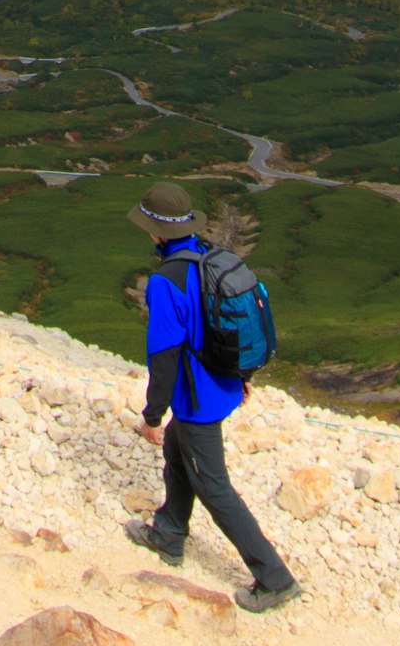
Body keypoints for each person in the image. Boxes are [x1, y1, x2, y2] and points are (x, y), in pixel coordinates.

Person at [119, 181, 301, 614]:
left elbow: (163, 354)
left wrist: (151, 415)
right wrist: (241, 376)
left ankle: (275, 578)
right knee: (178, 457)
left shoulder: (166, 281)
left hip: (197, 399)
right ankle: (168, 532)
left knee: (214, 487)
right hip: (222, 385)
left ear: (155, 232)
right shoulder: (212, 257)